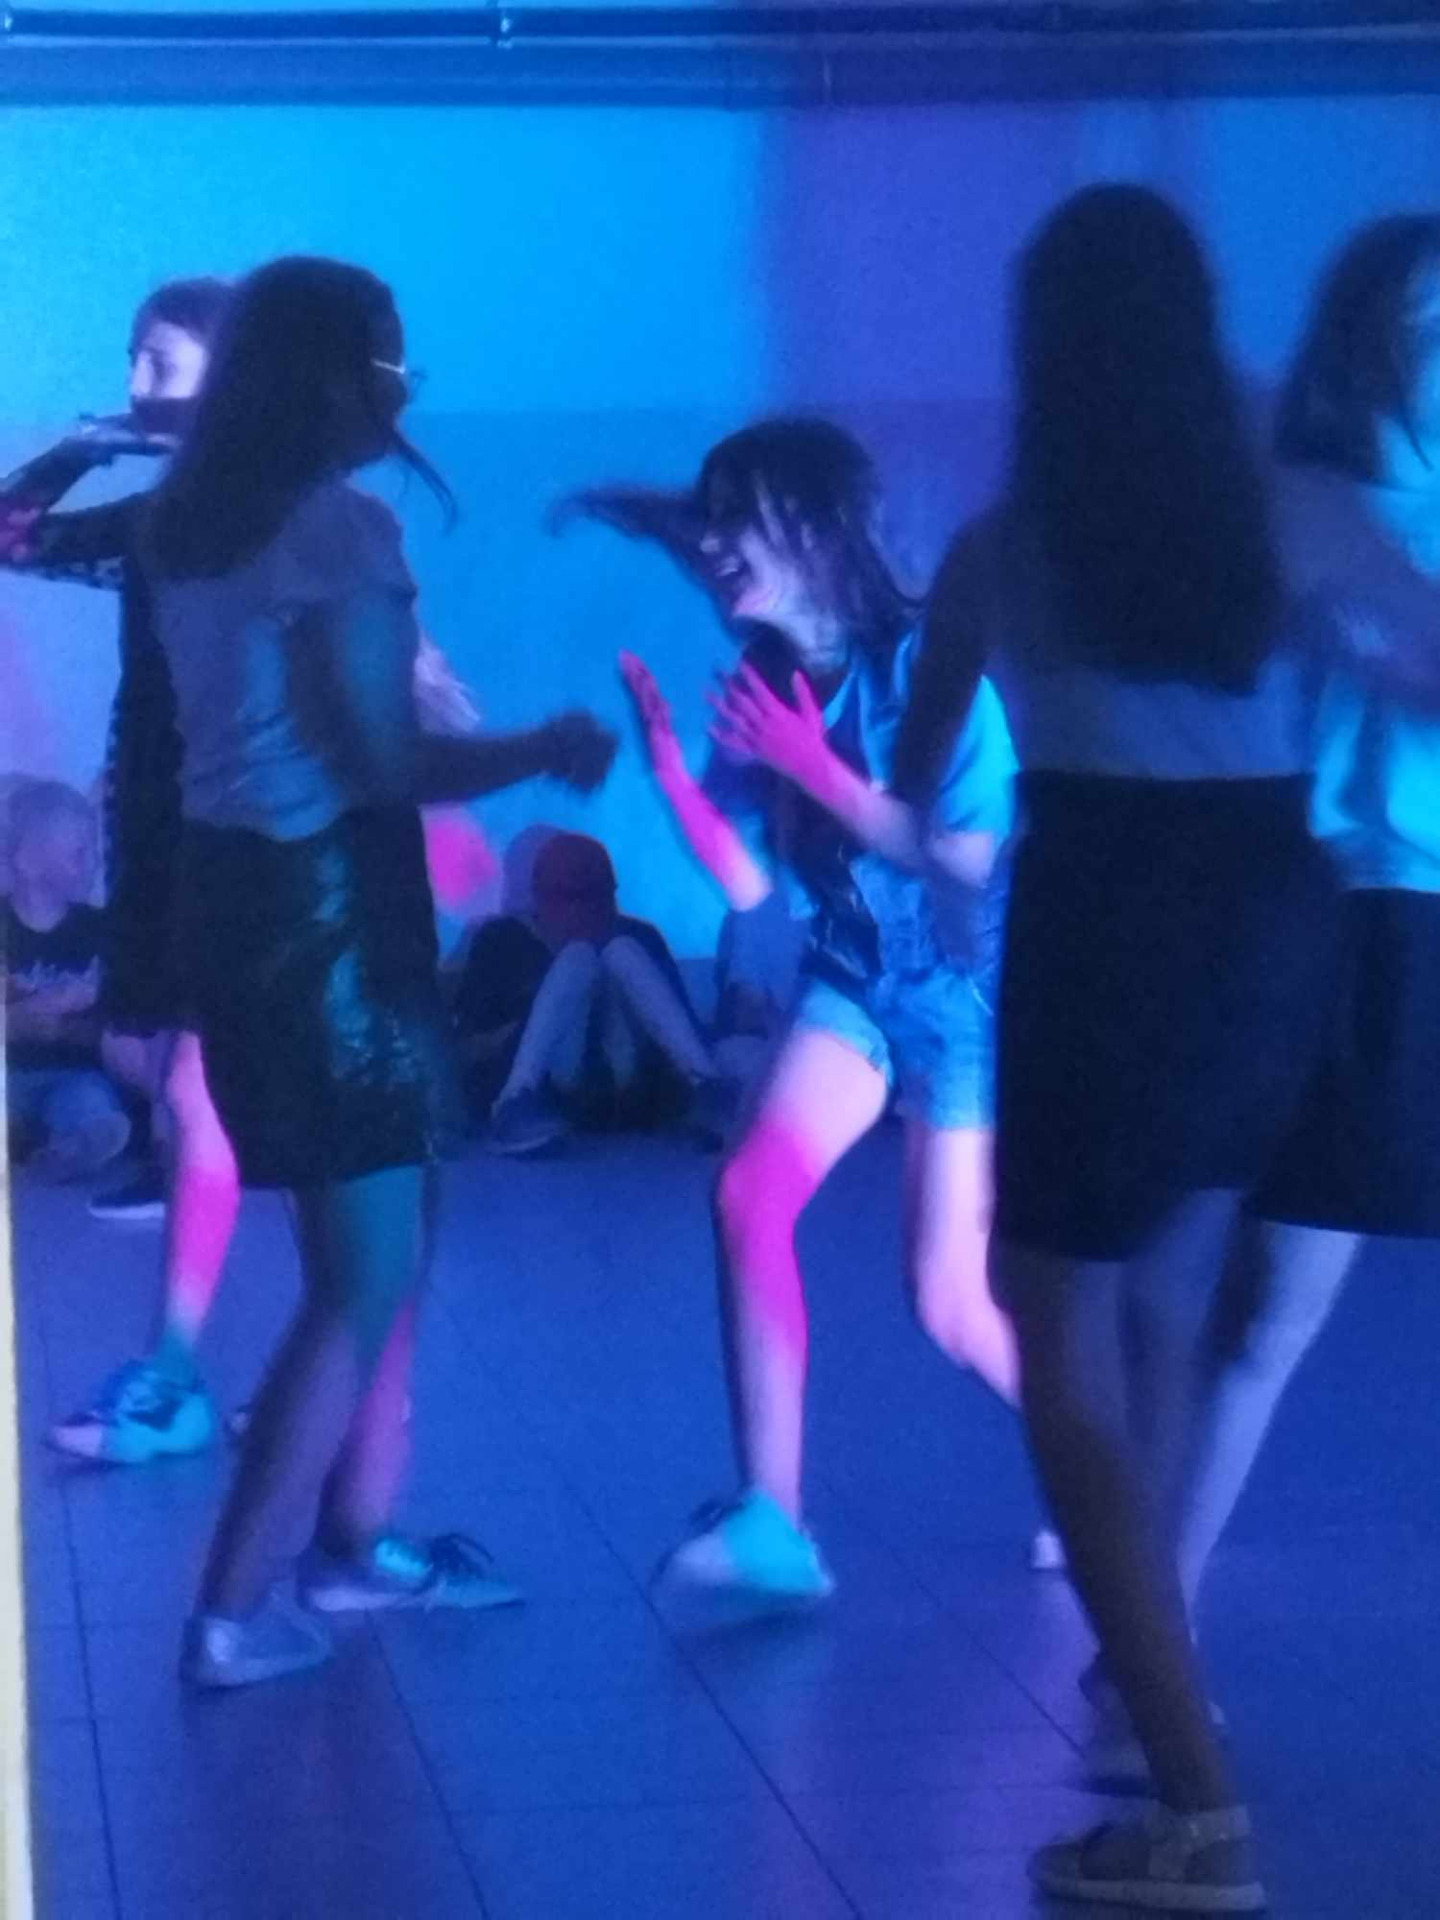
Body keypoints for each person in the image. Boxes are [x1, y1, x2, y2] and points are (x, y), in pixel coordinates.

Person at [884, 184, 1440, 1915]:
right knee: (1169, 1305)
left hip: (1107, 905)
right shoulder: (1290, 516)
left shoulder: (1004, 546)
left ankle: (1195, 1803)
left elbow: (916, 777)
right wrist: (1352, 663)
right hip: (1273, 910)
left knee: (1060, 1330)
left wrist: (936, 849)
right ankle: (1152, 1690)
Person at [133, 253, 615, 1687]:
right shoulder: (339, 529)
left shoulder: (187, 526)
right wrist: (543, 747)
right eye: (387, 358)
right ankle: (232, 1612)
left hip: (241, 899)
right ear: (329, 375)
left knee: (372, 1246)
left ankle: (354, 1542)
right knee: (365, 1276)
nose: (402, 387)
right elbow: (382, 760)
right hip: (331, 911)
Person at [567, 416, 1022, 1606]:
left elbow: (971, 862)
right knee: (748, 1193)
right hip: (856, 978)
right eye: (707, 519)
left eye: (741, 518)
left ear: (818, 529)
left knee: (948, 1303)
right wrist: (674, 776)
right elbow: (747, 885)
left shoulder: (927, 668)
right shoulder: (773, 683)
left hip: (962, 993)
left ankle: (1107, 1474)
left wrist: (819, 770)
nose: (715, 543)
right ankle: (774, 1520)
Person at [1175, 217, 1440, 1628]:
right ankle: (1145, 1624)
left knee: (1260, 1316)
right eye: (1435, 328)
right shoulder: (1313, 508)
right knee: (1267, 1312)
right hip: (1371, 917)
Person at [1, 277, 254, 1464]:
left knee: (264, 1105)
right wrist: (83, 445)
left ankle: (331, 1371)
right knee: (196, 1091)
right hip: (167, 835)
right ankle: (182, 1371)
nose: (133, 383)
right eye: (132, 360)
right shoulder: (153, 524)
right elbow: (9, 533)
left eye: (158, 363)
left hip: (249, 840)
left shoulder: (279, 518)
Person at [455, 829, 724, 1153]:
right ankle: (516, 1100)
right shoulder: (502, 941)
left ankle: (706, 1086)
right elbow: (468, 1045)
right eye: (569, 897)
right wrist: (533, 1020)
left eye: (598, 895)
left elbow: (688, 1028)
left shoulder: (638, 936)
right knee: (578, 958)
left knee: (622, 951)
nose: (584, 911)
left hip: (632, 1085)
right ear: (539, 897)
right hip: (556, 1088)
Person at [3, 779, 131, 1181]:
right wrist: (33, 1012)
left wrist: (81, 1015)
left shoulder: (100, 929)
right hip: (9, 1074)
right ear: (26, 861)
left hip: (71, 1074)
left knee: (90, 1098)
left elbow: (117, 1015)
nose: (93, 862)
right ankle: (27, 1139)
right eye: (79, 853)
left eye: (95, 850)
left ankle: (71, 1146)